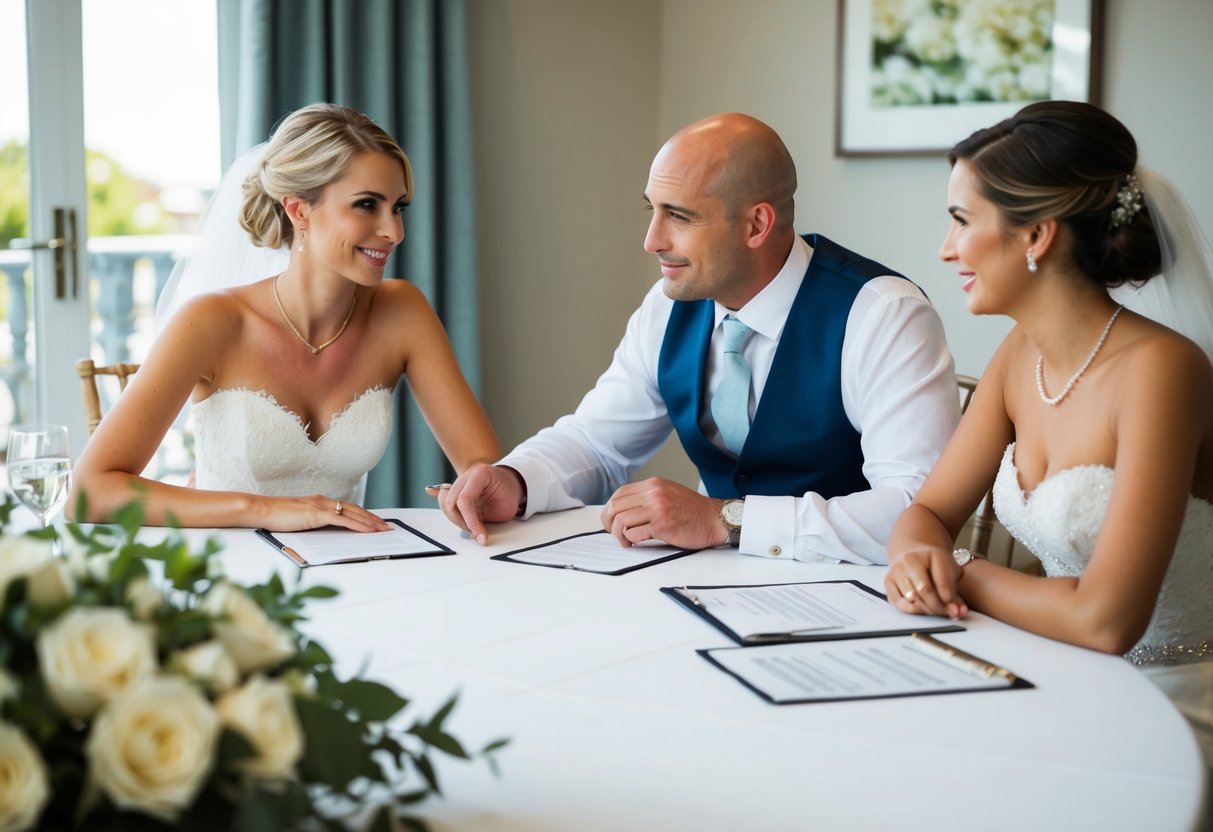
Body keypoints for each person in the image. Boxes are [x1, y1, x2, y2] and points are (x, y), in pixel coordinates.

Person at [434, 113, 958, 564]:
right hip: (709, 585)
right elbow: (598, 439)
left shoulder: (883, 315)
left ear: (757, 224)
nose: (651, 240)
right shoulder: (668, 306)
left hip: (858, 597)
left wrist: (723, 520)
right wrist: (517, 480)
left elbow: (917, 508)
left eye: (679, 217)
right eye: (652, 210)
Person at [884, 101, 1213, 760]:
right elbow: (926, 511)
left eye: (959, 221)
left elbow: (1105, 620)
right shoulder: (1015, 356)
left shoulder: (1162, 371)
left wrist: (959, 571)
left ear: (1035, 236)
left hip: (1179, 702)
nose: (945, 249)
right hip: (1063, 672)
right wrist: (913, 555)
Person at [71, 103, 501, 531]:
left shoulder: (403, 312)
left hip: (351, 573)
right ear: (299, 210)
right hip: (226, 575)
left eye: (399, 207)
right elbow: (89, 493)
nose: (394, 231)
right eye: (367, 205)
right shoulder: (210, 321)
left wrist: (473, 489)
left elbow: (486, 468)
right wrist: (262, 510)